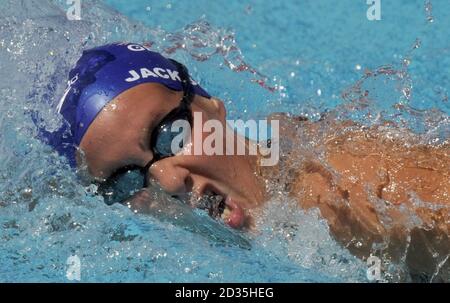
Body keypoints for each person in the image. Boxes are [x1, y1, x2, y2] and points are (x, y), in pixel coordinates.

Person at [42, 42, 449, 282]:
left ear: (209, 105)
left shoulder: (344, 188)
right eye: (125, 181)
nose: (166, 182)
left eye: (169, 135)